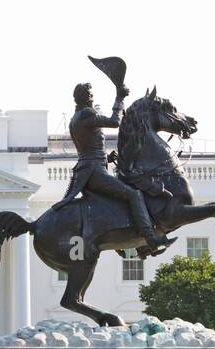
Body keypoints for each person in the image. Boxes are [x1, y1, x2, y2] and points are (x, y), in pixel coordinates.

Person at [52, 81, 174, 254]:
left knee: (119, 197)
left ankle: (124, 241)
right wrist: (120, 97)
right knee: (134, 194)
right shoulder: (86, 114)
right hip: (93, 172)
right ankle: (150, 239)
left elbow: (88, 149)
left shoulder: (75, 118)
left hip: (90, 169)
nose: (93, 98)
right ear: (86, 97)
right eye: (91, 94)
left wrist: (106, 159)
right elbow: (114, 122)